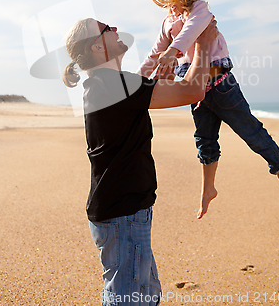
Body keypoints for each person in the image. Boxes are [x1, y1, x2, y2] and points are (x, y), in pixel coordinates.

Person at [62, 16, 217, 306]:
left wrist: (174, 49)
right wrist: (204, 45)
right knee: (129, 299)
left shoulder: (106, 85)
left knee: (146, 295)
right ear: (97, 47)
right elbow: (192, 91)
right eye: (107, 29)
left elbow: (161, 87)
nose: (116, 29)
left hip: (123, 213)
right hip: (123, 214)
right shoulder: (112, 85)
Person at [138, 0, 279, 219]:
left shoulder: (201, 12)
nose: (167, 3)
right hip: (196, 89)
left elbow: (191, 32)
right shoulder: (169, 21)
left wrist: (173, 50)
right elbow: (154, 54)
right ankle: (207, 188)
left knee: (250, 130)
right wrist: (135, 82)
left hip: (222, 86)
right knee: (205, 141)